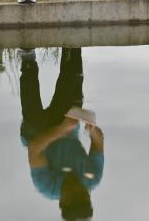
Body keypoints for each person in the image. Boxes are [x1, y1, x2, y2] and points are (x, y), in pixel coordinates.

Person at [19, 47, 104, 220]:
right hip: (65, 124)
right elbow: (99, 143)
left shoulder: (46, 186)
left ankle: (28, 61)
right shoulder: (92, 178)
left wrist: (61, 130)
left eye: (73, 193)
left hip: (38, 134)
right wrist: (93, 131)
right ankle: (71, 49)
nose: (78, 187)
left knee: (34, 120)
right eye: (83, 193)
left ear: (61, 201)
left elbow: (34, 149)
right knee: (73, 85)